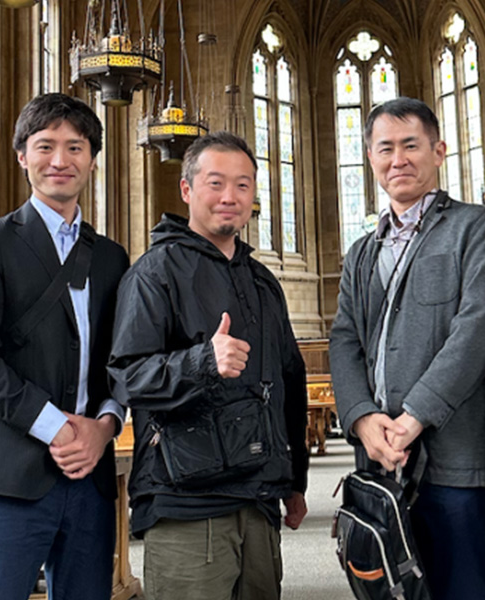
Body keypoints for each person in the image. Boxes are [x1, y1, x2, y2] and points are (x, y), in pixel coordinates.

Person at [108, 131, 309, 600]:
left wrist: (294, 478)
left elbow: (288, 382)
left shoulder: (263, 282)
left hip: (259, 498)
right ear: (186, 189)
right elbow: (127, 378)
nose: (229, 197)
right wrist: (202, 361)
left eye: (242, 185)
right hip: (186, 503)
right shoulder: (153, 273)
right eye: (216, 183)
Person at [329, 97, 485, 600]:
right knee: (392, 589)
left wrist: (412, 418)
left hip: (455, 454)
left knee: (462, 587)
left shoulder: (475, 228)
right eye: (385, 148)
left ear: (438, 151)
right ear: (369, 159)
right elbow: (345, 339)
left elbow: (477, 332)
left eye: (411, 145)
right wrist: (363, 418)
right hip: (380, 457)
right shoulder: (361, 252)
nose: (398, 160)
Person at [0, 93, 130, 600]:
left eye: (75, 147)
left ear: (92, 159)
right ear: (22, 156)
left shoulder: (112, 257)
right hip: (9, 475)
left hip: (89, 479)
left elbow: (123, 360)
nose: (60, 160)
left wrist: (105, 426)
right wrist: (58, 428)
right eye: (45, 145)